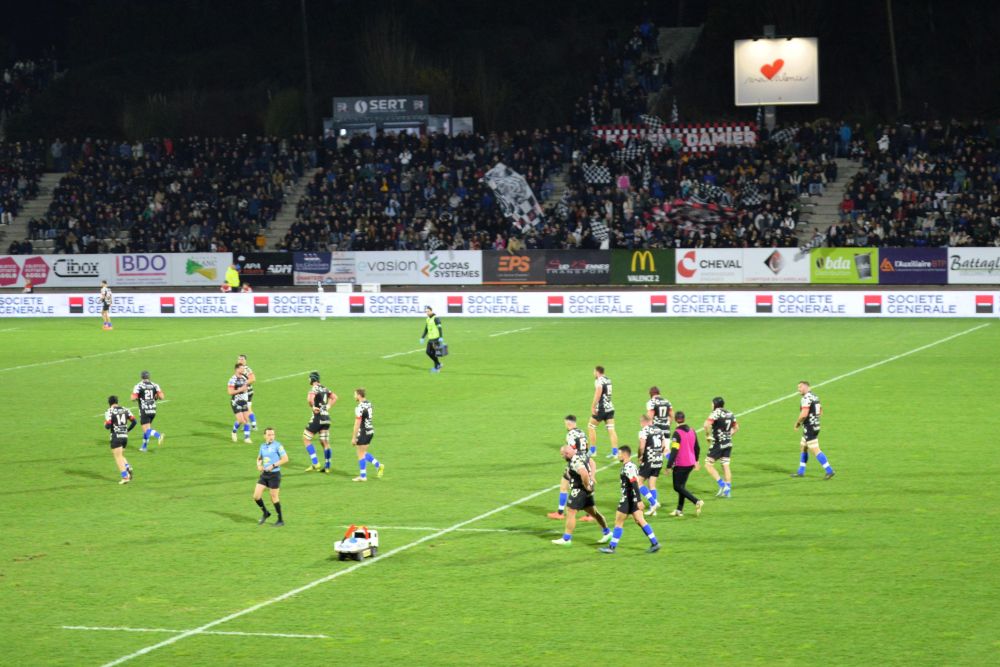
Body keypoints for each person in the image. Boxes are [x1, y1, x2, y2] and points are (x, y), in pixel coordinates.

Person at [598, 446, 661, 554]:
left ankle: (611, 547)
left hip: (628, 499)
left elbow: (635, 483)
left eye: (619, 453)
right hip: (633, 499)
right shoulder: (629, 466)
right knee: (640, 521)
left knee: (619, 521)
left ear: (624, 454)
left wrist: (639, 500)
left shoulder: (629, 467)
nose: (618, 455)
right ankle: (655, 543)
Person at [551, 444, 611, 546]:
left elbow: (583, 473)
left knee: (570, 511)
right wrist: (592, 476)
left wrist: (586, 484)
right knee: (593, 512)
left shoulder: (575, 461)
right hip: (586, 489)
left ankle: (566, 539)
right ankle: (607, 532)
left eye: (562, 455)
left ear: (567, 453)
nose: (562, 457)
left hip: (580, 489)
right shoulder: (581, 454)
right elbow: (592, 462)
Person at [548, 415, 596, 521]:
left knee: (564, 484)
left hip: (576, 463)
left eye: (566, 423)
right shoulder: (582, 432)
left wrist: (570, 462)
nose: (565, 425)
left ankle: (560, 512)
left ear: (569, 423)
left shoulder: (570, 434)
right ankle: (590, 514)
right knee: (586, 486)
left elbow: (570, 451)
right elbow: (586, 448)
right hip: (585, 460)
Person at [791, 381, 835, 479]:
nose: (798, 389)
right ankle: (800, 471)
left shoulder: (806, 398)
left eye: (800, 387)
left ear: (807, 387)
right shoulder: (815, 396)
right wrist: (814, 419)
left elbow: (804, 414)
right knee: (803, 446)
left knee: (815, 449)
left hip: (809, 427)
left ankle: (829, 470)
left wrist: (798, 423)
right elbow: (821, 411)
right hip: (815, 425)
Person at [666, 411, 704, 517]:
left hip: (681, 464)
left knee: (677, 487)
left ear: (675, 420)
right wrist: (696, 461)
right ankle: (679, 510)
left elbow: (674, 451)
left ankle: (696, 501)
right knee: (682, 486)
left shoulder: (677, 433)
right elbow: (697, 447)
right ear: (684, 419)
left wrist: (669, 466)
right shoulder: (692, 431)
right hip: (690, 463)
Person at [704, 397, 739, 498]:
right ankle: (728, 491)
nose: (711, 406)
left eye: (712, 404)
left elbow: (706, 425)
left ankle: (722, 485)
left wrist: (707, 435)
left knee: (708, 464)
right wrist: (728, 435)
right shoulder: (730, 413)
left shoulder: (716, 413)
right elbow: (736, 428)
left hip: (718, 443)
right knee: (725, 465)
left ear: (715, 404)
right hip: (728, 443)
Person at [254, 427, 288, 526]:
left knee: (274, 497)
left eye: (273, 434)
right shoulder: (262, 446)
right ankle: (265, 512)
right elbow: (259, 458)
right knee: (256, 496)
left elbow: (285, 459)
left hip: (274, 475)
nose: (271, 437)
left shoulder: (278, 446)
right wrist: (259, 465)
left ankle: (280, 520)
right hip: (264, 474)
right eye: (269, 435)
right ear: (264, 436)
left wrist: (273, 466)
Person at [303, 371, 336, 473]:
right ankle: (327, 466)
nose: (309, 380)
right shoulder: (325, 388)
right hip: (326, 418)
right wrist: (328, 407)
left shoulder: (314, 388)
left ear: (313, 379)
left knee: (306, 439)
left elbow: (309, 399)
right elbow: (334, 397)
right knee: (325, 442)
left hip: (318, 417)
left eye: (309, 378)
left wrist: (313, 407)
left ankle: (315, 463)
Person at [636, 413, 666, 515]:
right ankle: (654, 510)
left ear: (644, 422)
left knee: (638, 482)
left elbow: (641, 447)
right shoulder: (659, 430)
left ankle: (654, 502)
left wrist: (640, 457)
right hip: (659, 459)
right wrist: (658, 455)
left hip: (649, 460)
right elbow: (663, 446)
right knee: (652, 484)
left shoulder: (644, 431)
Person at [351, 388, 383, 481]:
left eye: (355, 394)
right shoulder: (369, 404)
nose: (354, 396)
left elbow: (357, 423)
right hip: (370, 431)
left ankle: (363, 476)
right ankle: (379, 465)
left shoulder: (359, 407)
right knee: (363, 453)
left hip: (364, 431)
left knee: (360, 454)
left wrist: (354, 437)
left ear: (359, 395)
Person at [104, 395, 137, 484]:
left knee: (117, 457)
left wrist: (105, 424)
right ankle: (127, 466)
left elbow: (108, 426)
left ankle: (125, 477)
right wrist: (127, 430)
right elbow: (134, 421)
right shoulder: (126, 409)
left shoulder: (109, 411)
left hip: (116, 436)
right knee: (121, 454)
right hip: (124, 437)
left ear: (109, 403)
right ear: (117, 402)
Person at [130, 370, 165, 452]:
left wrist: (137, 397)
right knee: (147, 430)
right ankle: (144, 447)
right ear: (149, 377)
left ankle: (159, 435)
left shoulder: (138, 386)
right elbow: (162, 397)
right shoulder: (155, 385)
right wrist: (155, 396)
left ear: (141, 377)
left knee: (147, 430)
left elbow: (133, 398)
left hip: (144, 410)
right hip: (153, 410)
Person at [588, 366, 619, 459]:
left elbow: (598, 394)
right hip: (610, 408)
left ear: (597, 372)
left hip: (601, 409)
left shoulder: (599, 381)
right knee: (611, 429)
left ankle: (593, 450)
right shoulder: (608, 380)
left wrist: (593, 406)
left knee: (591, 426)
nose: (593, 373)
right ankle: (615, 452)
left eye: (594, 371)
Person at [228, 362, 252, 443]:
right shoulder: (232, 379)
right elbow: (230, 392)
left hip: (244, 401)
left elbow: (249, 384)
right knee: (242, 420)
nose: (243, 370)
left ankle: (247, 438)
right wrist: (240, 390)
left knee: (246, 419)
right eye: (242, 368)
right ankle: (234, 432)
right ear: (237, 369)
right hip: (236, 402)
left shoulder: (244, 377)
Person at [419, 306, 444, 373]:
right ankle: (438, 364)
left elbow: (440, 328)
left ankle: (437, 368)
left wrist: (441, 337)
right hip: (430, 339)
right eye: (426, 311)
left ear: (431, 311)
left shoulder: (436, 318)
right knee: (428, 352)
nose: (427, 313)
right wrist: (422, 337)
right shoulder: (427, 319)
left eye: (428, 311)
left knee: (435, 353)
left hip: (436, 339)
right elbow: (426, 329)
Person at [237, 354, 257, 431]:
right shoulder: (239, 368)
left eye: (242, 359)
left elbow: (253, 379)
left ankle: (247, 425)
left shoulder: (247, 369)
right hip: (245, 392)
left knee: (244, 409)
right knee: (248, 408)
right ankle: (254, 424)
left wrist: (243, 384)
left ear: (245, 361)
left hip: (247, 392)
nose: (240, 360)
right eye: (239, 359)